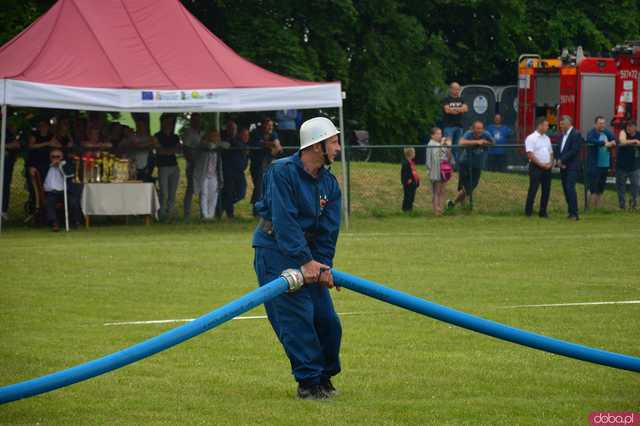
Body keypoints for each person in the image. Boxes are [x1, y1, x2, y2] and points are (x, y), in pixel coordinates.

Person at [252, 117, 342, 400]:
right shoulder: (281, 172)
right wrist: (304, 261)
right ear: (316, 146)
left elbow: (329, 230)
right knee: (297, 319)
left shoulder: (329, 183)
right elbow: (284, 220)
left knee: (328, 320)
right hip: (276, 252)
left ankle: (324, 377)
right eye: (333, 142)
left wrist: (323, 265)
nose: (338, 147)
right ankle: (308, 383)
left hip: (310, 257)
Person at [448, 120, 493, 208]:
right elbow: (461, 143)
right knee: (464, 187)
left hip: (477, 166)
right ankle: (462, 206)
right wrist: (476, 142)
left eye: (481, 128)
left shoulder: (486, 134)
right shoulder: (469, 133)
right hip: (465, 164)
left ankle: (452, 203)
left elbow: (493, 142)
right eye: (477, 128)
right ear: (473, 129)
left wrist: (485, 143)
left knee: (471, 186)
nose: (479, 130)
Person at [249, 118, 282, 216]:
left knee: (267, 188)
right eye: (268, 125)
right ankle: (256, 210)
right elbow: (259, 144)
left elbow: (278, 148)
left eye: (271, 125)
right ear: (263, 125)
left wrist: (271, 146)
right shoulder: (256, 133)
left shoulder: (273, 134)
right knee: (259, 187)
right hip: (257, 164)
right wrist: (270, 145)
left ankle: (264, 210)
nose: (270, 127)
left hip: (268, 164)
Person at [43, 149, 82, 231]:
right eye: (53, 157)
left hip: (65, 191)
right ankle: (54, 223)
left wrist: (60, 167)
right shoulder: (46, 166)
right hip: (52, 192)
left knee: (73, 201)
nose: (55, 158)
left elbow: (70, 174)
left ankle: (76, 222)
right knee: (49, 201)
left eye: (58, 157)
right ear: (50, 158)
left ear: (62, 157)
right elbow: (38, 170)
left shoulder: (66, 165)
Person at [524, 117, 554, 217]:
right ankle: (528, 211)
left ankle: (543, 211)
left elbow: (551, 153)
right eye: (546, 125)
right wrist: (541, 164)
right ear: (540, 125)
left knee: (546, 190)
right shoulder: (531, 138)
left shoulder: (547, 138)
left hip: (547, 168)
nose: (547, 127)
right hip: (536, 167)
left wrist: (550, 163)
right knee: (533, 189)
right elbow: (530, 154)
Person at [219, 119, 247, 218]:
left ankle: (222, 205)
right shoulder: (223, 139)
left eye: (234, 128)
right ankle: (229, 214)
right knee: (229, 192)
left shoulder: (239, 140)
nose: (232, 130)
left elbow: (242, 148)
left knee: (241, 192)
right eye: (230, 128)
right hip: (228, 171)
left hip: (239, 171)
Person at [154, 114, 181, 220]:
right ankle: (162, 213)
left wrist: (168, 151)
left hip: (174, 166)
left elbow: (178, 150)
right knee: (164, 192)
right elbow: (160, 151)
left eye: (171, 123)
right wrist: (171, 150)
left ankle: (170, 213)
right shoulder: (157, 136)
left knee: (172, 192)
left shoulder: (175, 137)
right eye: (167, 122)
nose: (169, 125)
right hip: (163, 166)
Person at [557, 115, 583, 220]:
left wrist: (562, 159)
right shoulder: (562, 135)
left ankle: (575, 213)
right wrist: (558, 160)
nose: (560, 126)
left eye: (562, 124)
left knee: (570, 188)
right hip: (563, 166)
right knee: (565, 188)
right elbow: (559, 149)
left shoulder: (576, 134)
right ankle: (570, 211)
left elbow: (574, 150)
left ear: (568, 123)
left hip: (572, 166)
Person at [586, 116, 616, 208]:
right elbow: (591, 140)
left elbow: (613, 140)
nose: (602, 125)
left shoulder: (606, 132)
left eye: (603, 123)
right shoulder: (592, 132)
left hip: (605, 164)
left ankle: (598, 208)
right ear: (595, 124)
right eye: (600, 123)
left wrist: (612, 143)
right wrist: (604, 143)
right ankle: (588, 207)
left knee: (601, 187)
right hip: (595, 164)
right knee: (593, 188)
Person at [193, 129, 223, 220]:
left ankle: (211, 215)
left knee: (214, 195)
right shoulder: (202, 144)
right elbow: (209, 146)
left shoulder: (217, 147)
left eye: (217, 136)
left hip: (214, 175)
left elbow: (226, 145)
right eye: (213, 135)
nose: (215, 137)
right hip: (203, 174)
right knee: (204, 194)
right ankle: (205, 215)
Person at [182, 113, 204, 221]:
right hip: (192, 165)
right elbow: (185, 149)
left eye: (199, 120)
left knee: (202, 189)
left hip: (202, 166)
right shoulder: (188, 133)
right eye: (195, 120)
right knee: (191, 189)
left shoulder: (202, 133)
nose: (197, 122)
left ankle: (203, 213)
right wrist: (192, 162)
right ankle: (186, 215)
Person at [426, 127, 452, 215]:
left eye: (440, 134)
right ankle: (436, 210)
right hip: (436, 170)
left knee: (442, 191)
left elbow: (448, 158)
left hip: (444, 170)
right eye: (437, 134)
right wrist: (441, 144)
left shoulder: (441, 143)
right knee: (436, 191)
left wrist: (448, 147)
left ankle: (441, 209)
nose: (440, 136)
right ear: (432, 135)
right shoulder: (431, 144)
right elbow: (435, 157)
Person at [120, 117, 156, 182]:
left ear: (145, 127)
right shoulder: (131, 136)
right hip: (131, 166)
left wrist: (139, 145)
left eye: (142, 125)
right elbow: (123, 145)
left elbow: (152, 146)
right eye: (139, 125)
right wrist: (143, 144)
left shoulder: (150, 138)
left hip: (144, 166)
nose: (140, 127)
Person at [615, 121, 640, 210]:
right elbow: (622, 141)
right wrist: (634, 141)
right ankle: (622, 206)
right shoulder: (623, 132)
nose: (629, 128)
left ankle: (633, 204)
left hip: (634, 166)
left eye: (631, 126)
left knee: (636, 185)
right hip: (621, 166)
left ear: (635, 127)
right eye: (628, 126)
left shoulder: (638, 134)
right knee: (621, 187)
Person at [441, 82, 468, 160]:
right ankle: (447, 164)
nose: (457, 91)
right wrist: (460, 109)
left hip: (459, 126)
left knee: (456, 147)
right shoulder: (446, 99)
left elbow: (465, 109)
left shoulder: (462, 99)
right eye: (455, 89)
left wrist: (453, 109)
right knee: (448, 147)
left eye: (458, 89)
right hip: (448, 126)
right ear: (451, 89)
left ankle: (454, 165)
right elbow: (447, 110)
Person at [2, 121, 21, 220]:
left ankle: (3, 210)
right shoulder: (5, 133)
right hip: (4, 164)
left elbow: (17, 146)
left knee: (5, 186)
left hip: (8, 165)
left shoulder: (11, 135)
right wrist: (7, 146)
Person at [400, 147, 420, 212]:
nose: (415, 154)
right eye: (414, 153)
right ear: (411, 154)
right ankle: (405, 209)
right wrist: (408, 180)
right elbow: (405, 173)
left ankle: (410, 209)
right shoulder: (405, 163)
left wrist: (417, 180)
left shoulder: (412, 163)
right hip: (408, 183)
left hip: (413, 183)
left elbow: (414, 172)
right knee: (407, 196)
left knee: (412, 197)